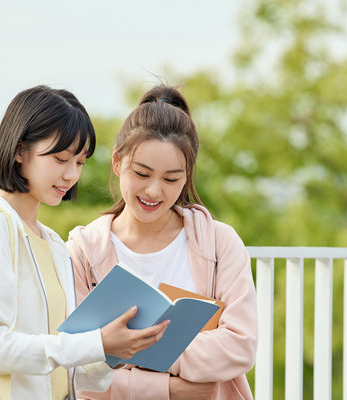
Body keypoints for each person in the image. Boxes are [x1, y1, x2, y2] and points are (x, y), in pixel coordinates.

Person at [0, 85, 169, 400]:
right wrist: (97, 343)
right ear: (20, 150)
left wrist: (117, 350)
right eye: (61, 158)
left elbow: (68, 357)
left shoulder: (53, 242)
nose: (70, 175)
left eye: (79, 162)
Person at [67, 85, 258, 400]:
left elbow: (240, 346)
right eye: (142, 174)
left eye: (171, 179)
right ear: (117, 162)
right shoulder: (84, 251)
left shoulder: (219, 244)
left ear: (187, 176)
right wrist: (169, 388)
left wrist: (131, 350)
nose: (154, 191)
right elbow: (78, 365)